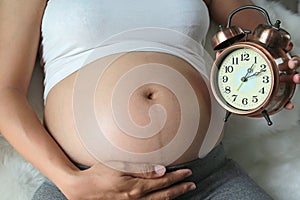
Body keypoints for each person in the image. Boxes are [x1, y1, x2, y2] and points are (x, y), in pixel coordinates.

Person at [0, 0, 299, 199]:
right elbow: (5, 92)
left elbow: (260, 31)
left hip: (206, 180)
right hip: (86, 186)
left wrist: (267, 73)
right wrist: (69, 182)